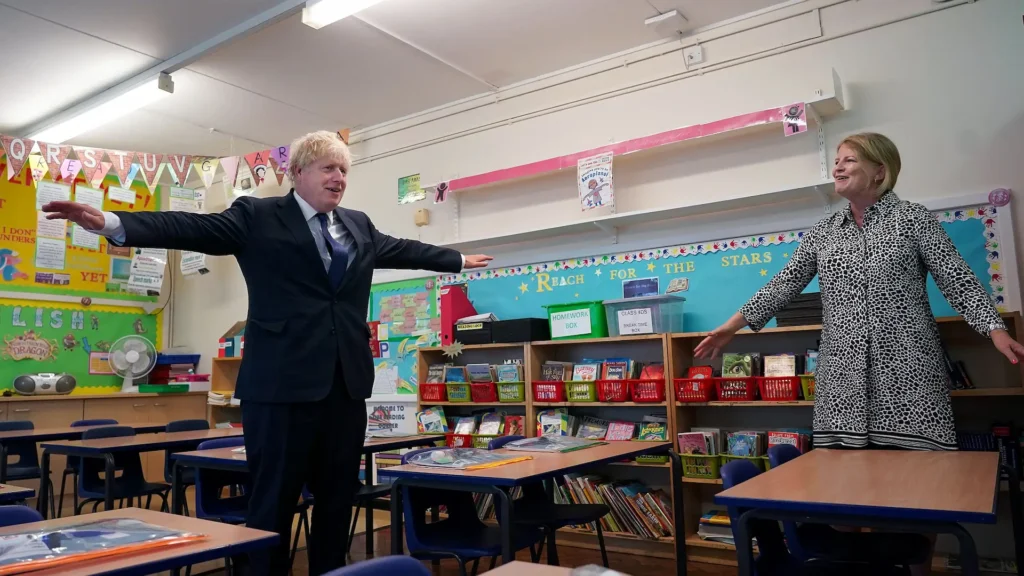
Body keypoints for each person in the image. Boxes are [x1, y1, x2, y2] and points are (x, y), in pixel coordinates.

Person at [42, 130, 493, 576]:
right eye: (329, 168)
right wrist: (115, 224)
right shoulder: (257, 215)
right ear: (298, 172)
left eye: (344, 170)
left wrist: (454, 260)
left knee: (337, 501)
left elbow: (402, 248)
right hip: (280, 387)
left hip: (344, 385)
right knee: (273, 501)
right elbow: (193, 228)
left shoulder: (357, 224)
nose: (339, 178)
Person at [696, 132, 1024, 451]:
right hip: (841, 375)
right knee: (847, 479)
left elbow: (956, 277)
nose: (837, 168)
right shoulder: (824, 232)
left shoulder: (912, 218)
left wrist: (995, 330)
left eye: (849, 160)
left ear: (880, 170)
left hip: (908, 369)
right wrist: (732, 326)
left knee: (917, 482)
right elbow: (785, 282)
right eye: (836, 161)